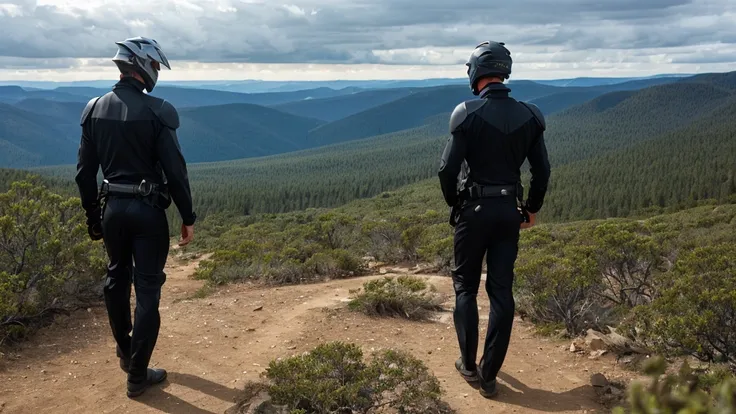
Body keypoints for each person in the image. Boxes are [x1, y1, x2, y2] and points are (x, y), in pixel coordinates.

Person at [75, 36, 196, 398]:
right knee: (147, 290)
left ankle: (126, 351)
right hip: (147, 213)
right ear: (143, 67)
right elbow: (176, 172)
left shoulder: (93, 109)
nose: (156, 72)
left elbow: (84, 174)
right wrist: (187, 216)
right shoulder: (159, 111)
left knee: (116, 278)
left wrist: (93, 217)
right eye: (156, 66)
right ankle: (138, 376)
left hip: (112, 209)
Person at [437, 40, 551, 398]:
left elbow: (446, 169)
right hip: (508, 213)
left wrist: (456, 202)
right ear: (504, 71)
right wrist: (531, 208)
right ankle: (489, 376)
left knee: (466, 288)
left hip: (475, 211)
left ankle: (468, 366)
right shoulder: (531, 115)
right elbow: (542, 171)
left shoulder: (467, 112)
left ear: (476, 72)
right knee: (501, 292)